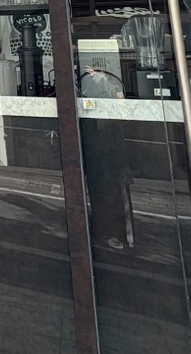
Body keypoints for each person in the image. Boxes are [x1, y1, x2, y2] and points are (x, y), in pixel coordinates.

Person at [79, 65, 134, 250]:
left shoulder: (109, 84)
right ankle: (110, 232)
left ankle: (116, 233)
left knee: (110, 187)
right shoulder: (96, 84)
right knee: (103, 187)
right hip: (97, 142)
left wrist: (100, 78)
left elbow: (121, 107)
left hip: (106, 142)